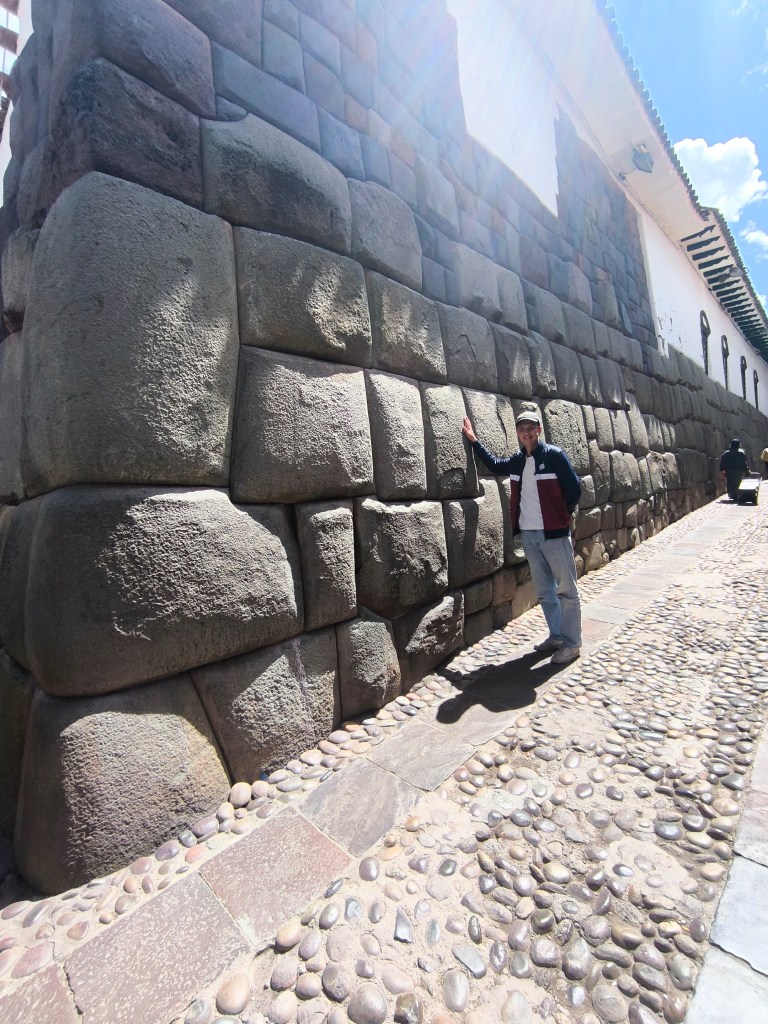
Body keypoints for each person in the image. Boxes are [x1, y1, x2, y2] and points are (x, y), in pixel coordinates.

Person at [462, 409, 582, 665]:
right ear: (517, 433)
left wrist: (563, 515)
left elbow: (574, 489)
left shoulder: (554, 456)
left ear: (539, 430)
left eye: (531, 428)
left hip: (554, 534)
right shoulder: (518, 460)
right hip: (529, 534)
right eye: (522, 429)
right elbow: (495, 465)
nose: (526, 432)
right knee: (545, 590)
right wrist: (474, 441)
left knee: (566, 590)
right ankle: (557, 636)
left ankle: (572, 644)